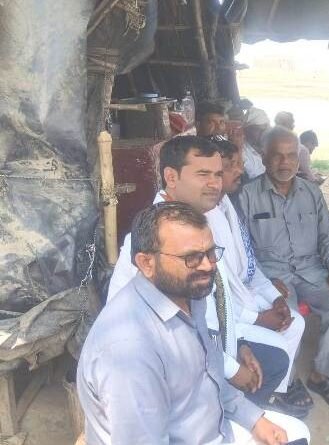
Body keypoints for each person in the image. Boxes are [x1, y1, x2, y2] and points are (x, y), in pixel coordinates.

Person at [78, 202, 310, 445]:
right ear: (147, 263)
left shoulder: (189, 297)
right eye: (192, 257)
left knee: (297, 431)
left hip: (212, 428)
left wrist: (253, 419)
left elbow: (212, 377)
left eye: (211, 252)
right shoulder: (130, 351)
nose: (208, 265)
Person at [107, 136, 299, 413]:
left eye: (218, 174)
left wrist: (238, 346)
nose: (215, 184)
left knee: (274, 361)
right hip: (164, 371)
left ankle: (237, 415)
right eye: (203, 174)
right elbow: (178, 334)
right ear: (171, 177)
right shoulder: (158, 239)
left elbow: (209, 307)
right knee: (268, 370)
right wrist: (232, 369)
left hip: (204, 344)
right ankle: (226, 420)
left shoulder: (192, 223)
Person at [238, 127, 329, 410]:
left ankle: (321, 374)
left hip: (311, 269)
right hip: (272, 276)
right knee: (285, 316)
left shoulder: (311, 192)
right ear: (264, 157)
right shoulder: (246, 195)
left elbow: (327, 236)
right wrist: (262, 281)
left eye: (291, 155)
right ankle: (288, 381)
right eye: (277, 156)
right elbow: (242, 249)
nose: (285, 162)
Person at [215, 138, 313, 417]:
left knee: (295, 322)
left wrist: (275, 297)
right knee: (279, 346)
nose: (240, 171)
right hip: (227, 314)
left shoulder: (227, 204)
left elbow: (249, 264)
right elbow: (218, 292)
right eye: (232, 165)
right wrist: (257, 319)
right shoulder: (205, 217)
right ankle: (251, 404)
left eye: (240, 164)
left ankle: (273, 393)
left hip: (245, 294)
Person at [242, 107, 270, 179]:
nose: (263, 133)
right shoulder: (242, 153)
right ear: (247, 130)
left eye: (266, 130)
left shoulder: (270, 149)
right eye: (259, 130)